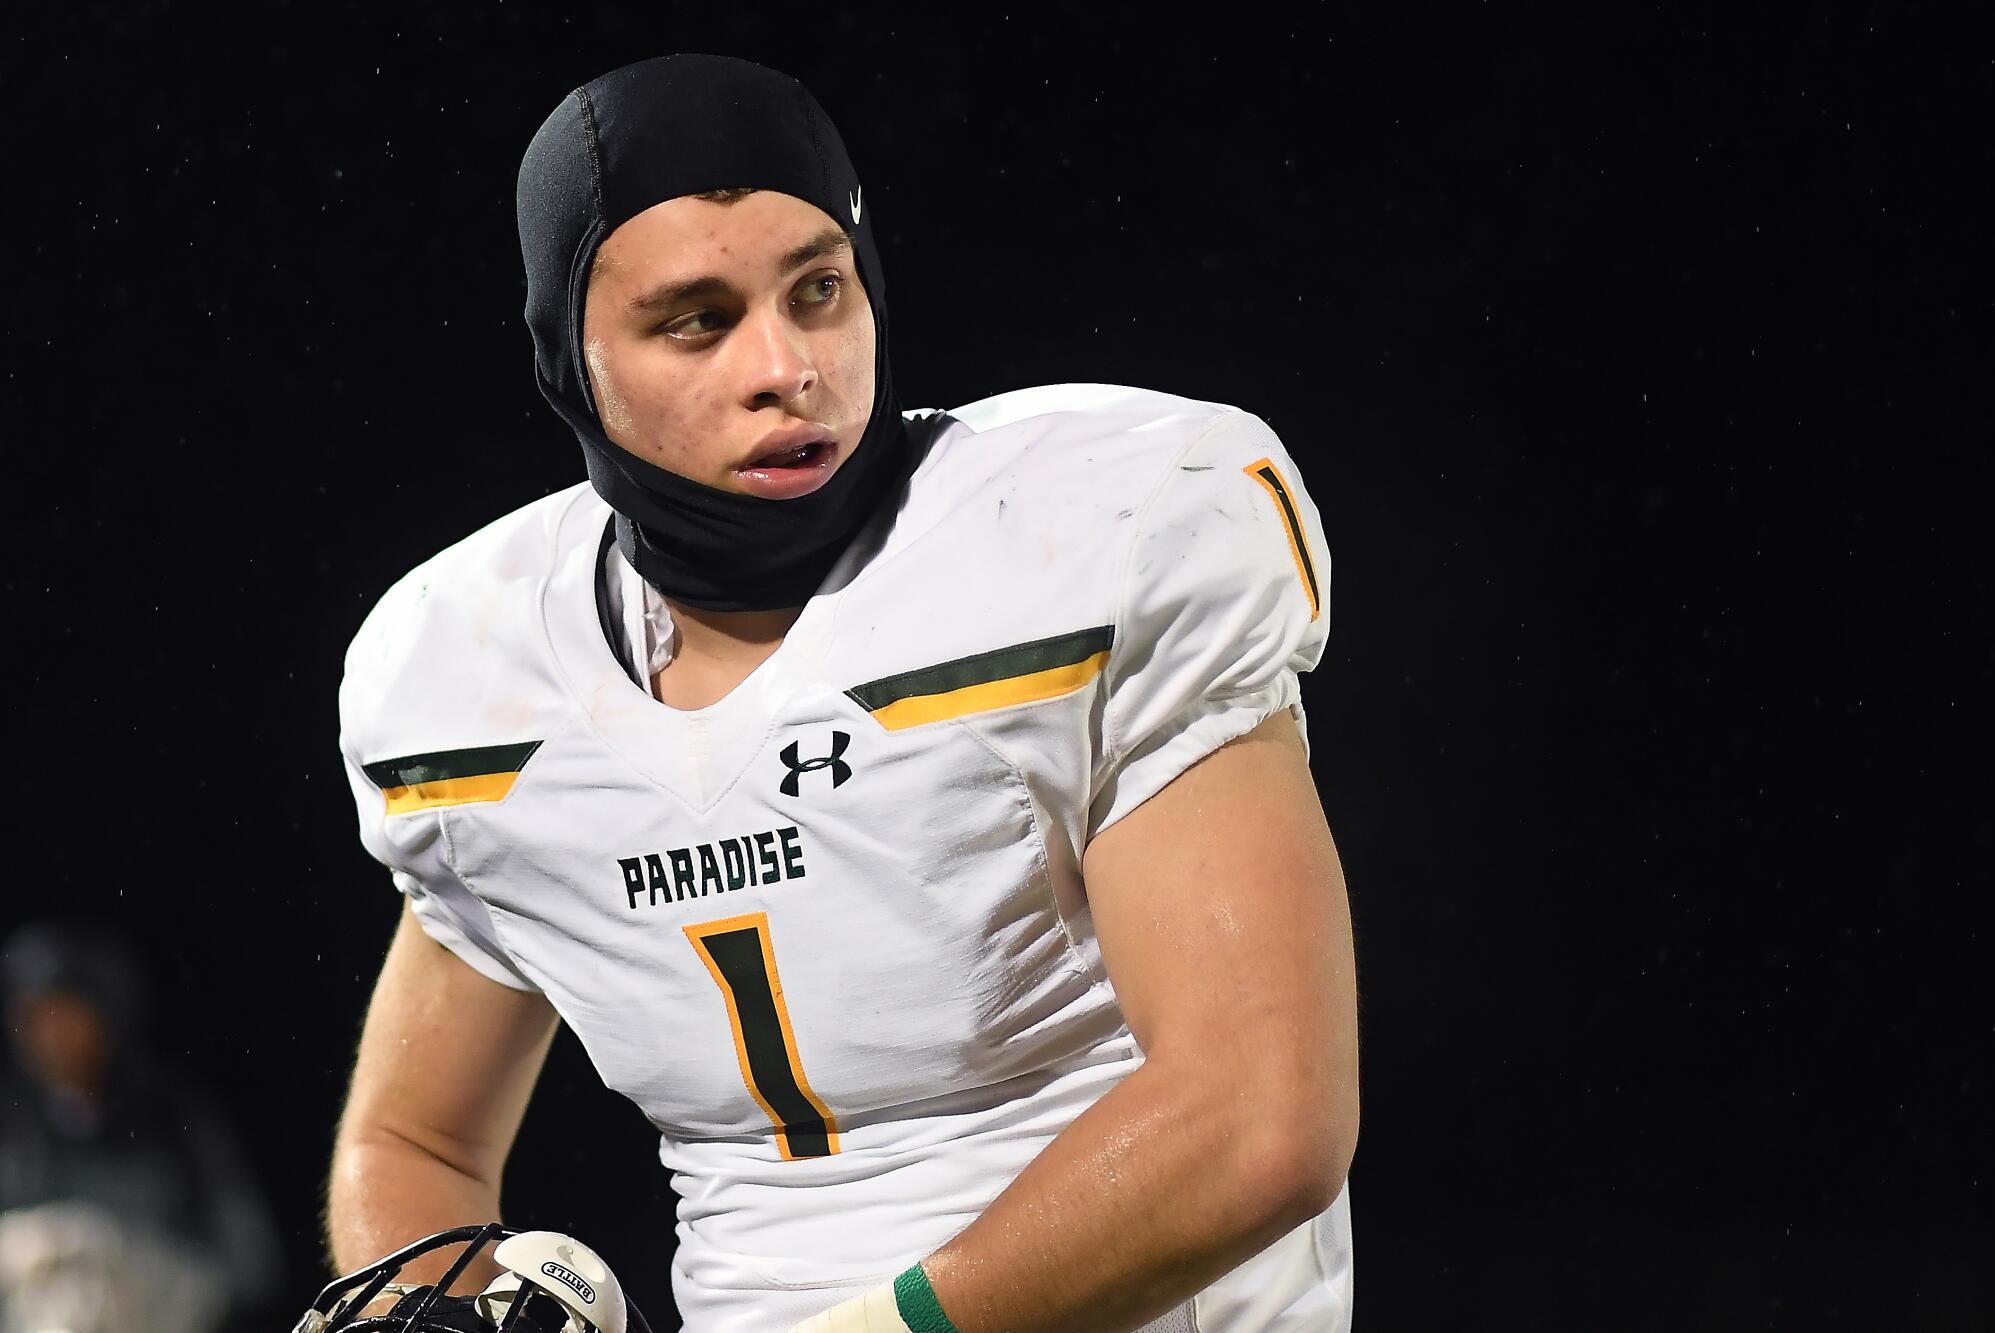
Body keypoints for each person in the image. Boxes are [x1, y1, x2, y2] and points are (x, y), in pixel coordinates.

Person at [327, 53, 1359, 1333]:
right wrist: (426, 1313)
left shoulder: (1089, 531)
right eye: (696, 319)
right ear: (569, 362)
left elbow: (1256, 1122)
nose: (787, 365)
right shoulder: (471, 672)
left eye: (818, 288)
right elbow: (413, 1142)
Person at [0, 921, 283, 1333]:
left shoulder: (170, 1113)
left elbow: (250, 1258)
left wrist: (153, 1275)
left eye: (63, 1012)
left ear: (103, 1011)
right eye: (33, 1018)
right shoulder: (13, 1130)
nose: (50, 1035)